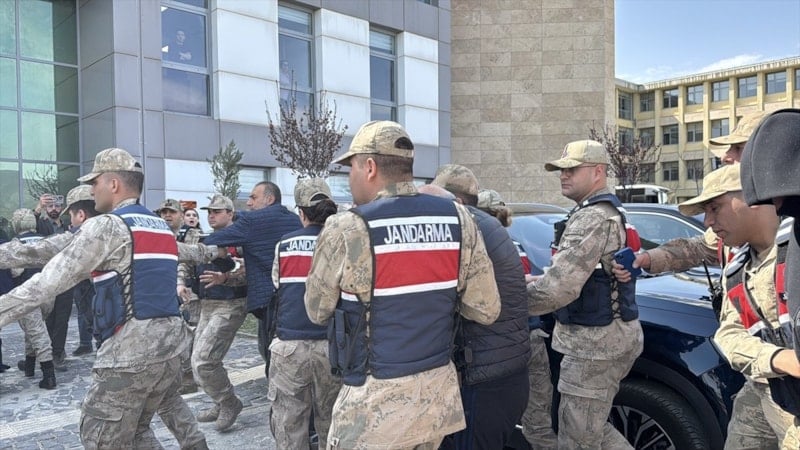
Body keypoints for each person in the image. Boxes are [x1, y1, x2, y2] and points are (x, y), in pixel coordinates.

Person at [304, 120, 501, 449]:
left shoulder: (347, 227)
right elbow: (486, 309)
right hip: (436, 399)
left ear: (369, 167)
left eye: (351, 167)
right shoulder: (459, 219)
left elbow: (316, 311)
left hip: (373, 406)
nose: (349, 177)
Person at [0, 147, 207, 449]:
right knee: (137, 430)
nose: (91, 189)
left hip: (129, 353)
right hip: (171, 348)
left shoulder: (107, 226)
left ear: (114, 184)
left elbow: (45, 284)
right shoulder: (160, 226)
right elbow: (47, 248)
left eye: (95, 182)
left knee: (99, 436)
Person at [670, 164, 800, 448]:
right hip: (767, 387)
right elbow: (728, 334)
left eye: (715, 208)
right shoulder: (738, 264)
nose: (708, 222)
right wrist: (778, 358)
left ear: (753, 197)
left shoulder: (795, 250)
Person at [527, 139, 642, 449]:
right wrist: (538, 279)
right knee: (592, 429)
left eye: (572, 169)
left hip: (594, 347)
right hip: (604, 339)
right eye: (561, 170)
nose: (564, 175)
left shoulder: (592, 217)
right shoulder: (605, 210)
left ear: (598, 172)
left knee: (577, 438)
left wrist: (509, 301)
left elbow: (559, 288)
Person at [431, 166, 531, 450]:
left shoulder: (466, 229)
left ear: (457, 202)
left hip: (482, 377)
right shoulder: (491, 226)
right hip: (507, 372)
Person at [477, 188, 558, 449]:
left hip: (496, 346)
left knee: (488, 425)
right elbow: (524, 283)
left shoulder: (477, 245)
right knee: (538, 423)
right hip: (531, 337)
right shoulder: (515, 245)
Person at [268, 178, 342, 448]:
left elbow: (277, 283)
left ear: (301, 213)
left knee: (289, 423)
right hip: (332, 346)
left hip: (290, 346)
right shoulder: (342, 243)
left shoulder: (285, 244)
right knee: (332, 422)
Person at [202, 181, 302, 367]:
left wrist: (225, 261)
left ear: (269, 199)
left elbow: (212, 240)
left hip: (267, 301)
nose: (249, 203)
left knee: (271, 355)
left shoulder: (253, 221)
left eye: (253, 198)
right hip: (295, 298)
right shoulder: (295, 219)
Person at [739, 108, 800, 413]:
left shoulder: (789, 236)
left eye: (740, 148)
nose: (731, 158)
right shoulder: (739, 250)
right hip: (774, 386)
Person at [186, 194, 248, 432]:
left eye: (217, 211)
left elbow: (248, 270)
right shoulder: (205, 237)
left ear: (230, 213)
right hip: (207, 303)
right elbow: (188, 263)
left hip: (231, 303)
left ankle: (229, 402)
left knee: (204, 360)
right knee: (197, 361)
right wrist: (182, 284)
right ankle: (220, 401)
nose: (211, 215)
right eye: (209, 212)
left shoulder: (240, 239)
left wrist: (227, 276)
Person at [9, 208, 57, 389]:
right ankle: (29, 365)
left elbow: (15, 271)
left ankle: (49, 375)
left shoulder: (16, 243)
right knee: (35, 328)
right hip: (48, 292)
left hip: (28, 292)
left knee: (37, 332)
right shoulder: (45, 240)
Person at [33, 192, 72, 371]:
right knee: (48, 317)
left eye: (57, 206)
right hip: (47, 277)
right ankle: (47, 353)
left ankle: (58, 353)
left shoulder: (69, 226)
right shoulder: (42, 225)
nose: (54, 209)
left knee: (62, 318)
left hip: (66, 277)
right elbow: (30, 225)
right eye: (50, 206)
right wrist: (38, 208)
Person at [63, 185, 101, 356]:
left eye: (71, 215)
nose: (71, 221)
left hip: (86, 287)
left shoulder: (79, 236)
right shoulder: (120, 228)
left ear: (80, 215)